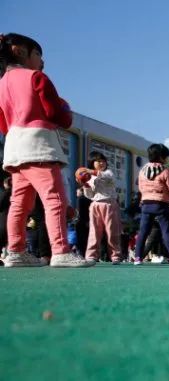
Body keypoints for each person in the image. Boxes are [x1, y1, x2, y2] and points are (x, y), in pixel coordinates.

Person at [0, 33, 93, 267]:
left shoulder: (1, 84)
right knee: (55, 199)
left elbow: (2, 123)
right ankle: (61, 251)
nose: (42, 61)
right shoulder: (36, 77)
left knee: (19, 203)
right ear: (20, 51)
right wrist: (65, 111)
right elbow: (56, 115)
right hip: (39, 144)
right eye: (39, 54)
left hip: (14, 148)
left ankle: (16, 251)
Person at [133, 144, 169, 265]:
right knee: (166, 231)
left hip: (146, 204)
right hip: (161, 204)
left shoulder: (142, 171)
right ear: (162, 157)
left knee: (143, 231)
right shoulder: (165, 170)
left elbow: (140, 187)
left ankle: (138, 257)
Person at [79, 151, 123, 264]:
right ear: (92, 163)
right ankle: (91, 256)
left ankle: (115, 256)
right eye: (98, 161)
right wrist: (85, 184)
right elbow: (89, 195)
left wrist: (91, 171)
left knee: (112, 231)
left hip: (110, 204)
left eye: (103, 161)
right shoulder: (89, 177)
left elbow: (107, 177)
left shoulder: (108, 172)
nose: (102, 163)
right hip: (95, 205)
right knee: (94, 231)